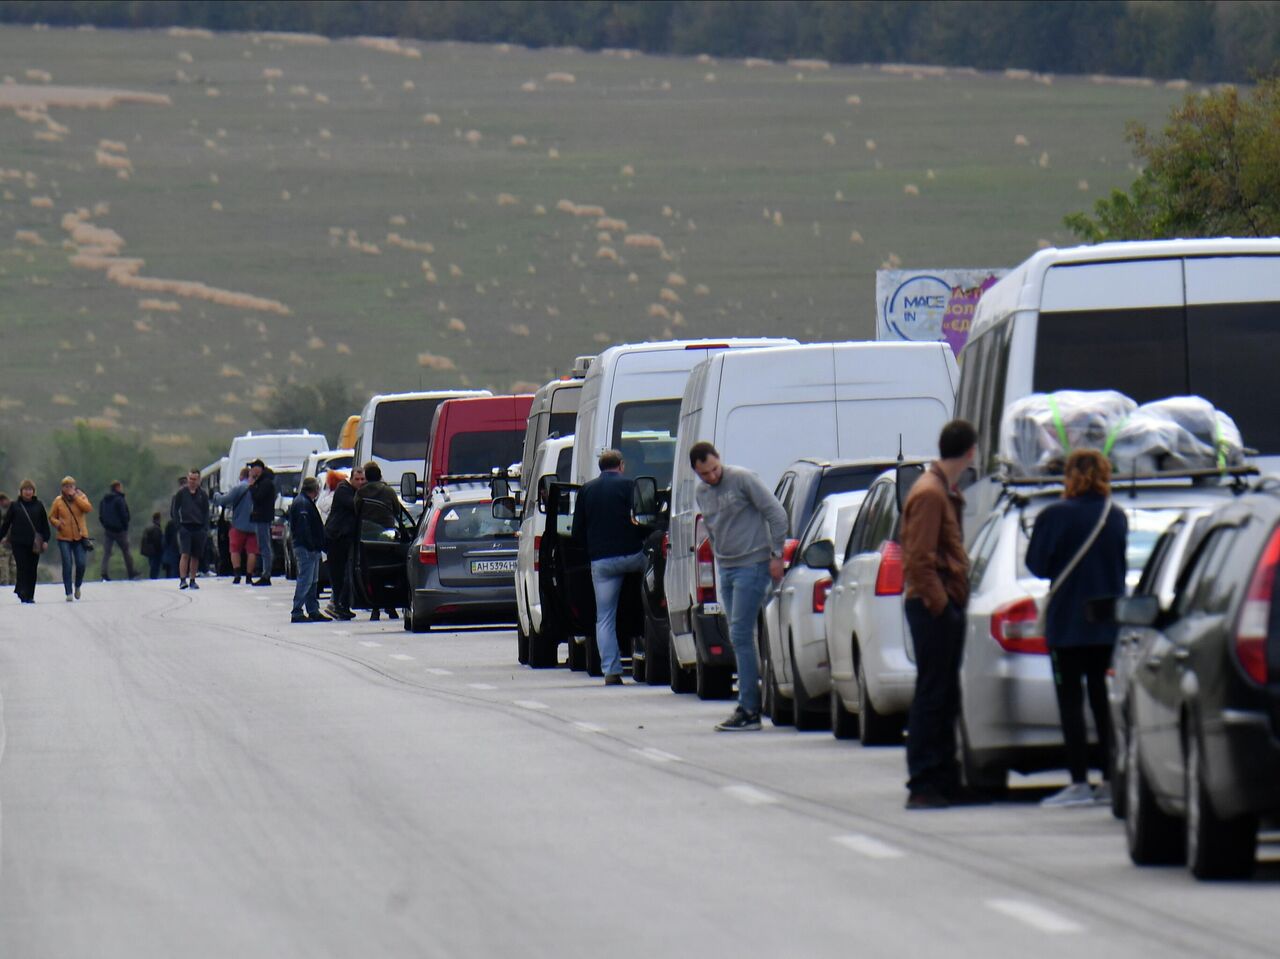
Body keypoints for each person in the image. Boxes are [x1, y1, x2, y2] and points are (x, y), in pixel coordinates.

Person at [1026, 448, 1128, 808]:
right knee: (1102, 700)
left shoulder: (1054, 515)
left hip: (1067, 624)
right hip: (1105, 624)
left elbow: (1036, 564)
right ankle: (1111, 778)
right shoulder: (1114, 516)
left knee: (1070, 700)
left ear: (1069, 475)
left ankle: (1079, 780)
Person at [901, 420, 977, 810]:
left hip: (941, 603)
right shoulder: (931, 494)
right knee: (933, 694)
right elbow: (919, 560)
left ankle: (945, 778)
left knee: (945, 693)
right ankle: (924, 781)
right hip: (932, 606)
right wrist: (942, 606)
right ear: (971, 451)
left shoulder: (942, 490)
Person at [689, 441, 788, 731]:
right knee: (737, 635)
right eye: (704, 474)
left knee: (742, 633)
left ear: (720, 460)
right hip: (728, 569)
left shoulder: (742, 479)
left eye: (714, 469)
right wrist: (719, 560)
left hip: (753, 565)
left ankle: (749, 709)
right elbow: (713, 528)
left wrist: (776, 554)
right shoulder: (702, 492)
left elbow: (776, 513)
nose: (712, 477)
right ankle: (751, 703)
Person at [571, 449, 648, 685]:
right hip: (634, 556)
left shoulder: (587, 490)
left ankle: (611, 671)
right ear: (621, 465)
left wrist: (591, 551)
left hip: (602, 561)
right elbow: (644, 520)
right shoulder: (631, 486)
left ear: (600, 467)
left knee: (604, 617)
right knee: (655, 585)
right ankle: (649, 646)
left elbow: (577, 531)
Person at [353, 462, 400, 621]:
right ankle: (391, 606)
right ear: (380, 475)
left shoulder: (361, 493)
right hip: (387, 537)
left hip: (367, 538)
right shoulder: (388, 491)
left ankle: (375, 608)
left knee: (371, 574)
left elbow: (356, 512)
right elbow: (397, 511)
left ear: (366, 477)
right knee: (390, 572)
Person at [287, 476, 330, 623]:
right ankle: (297, 611)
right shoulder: (303, 504)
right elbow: (304, 529)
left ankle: (313, 610)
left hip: (310, 548)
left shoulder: (304, 502)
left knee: (312, 581)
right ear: (316, 489)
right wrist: (313, 545)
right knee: (306, 580)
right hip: (306, 549)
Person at [0, 480, 50, 603]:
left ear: (33, 491)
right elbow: (6, 523)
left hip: (35, 543)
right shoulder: (15, 506)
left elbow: (44, 525)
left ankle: (30, 594)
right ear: (21, 491)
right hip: (18, 542)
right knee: (22, 567)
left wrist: (46, 540)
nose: (28, 492)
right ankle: (22, 592)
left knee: (32, 568)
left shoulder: (39, 505)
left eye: (30, 490)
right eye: (25, 490)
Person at [323, 467, 361, 621]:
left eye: (363, 479)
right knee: (340, 575)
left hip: (346, 538)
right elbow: (355, 505)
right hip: (336, 538)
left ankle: (342, 605)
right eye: (357, 479)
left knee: (346, 573)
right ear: (351, 479)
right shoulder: (344, 490)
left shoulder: (353, 492)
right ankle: (338, 605)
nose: (360, 482)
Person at [49, 476, 93, 602]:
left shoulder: (81, 497)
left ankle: (77, 585)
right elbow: (51, 517)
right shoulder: (58, 501)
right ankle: (68, 592)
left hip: (80, 537)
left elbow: (88, 508)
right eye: (66, 486)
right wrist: (57, 523)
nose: (69, 489)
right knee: (67, 563)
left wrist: (75, 497)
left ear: (75, 487)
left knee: (81, 563)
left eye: (71, 486)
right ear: (62, 488)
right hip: (64, 537)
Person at [213, 467, 259, 585]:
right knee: (252, 551)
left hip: (238, 524)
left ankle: (237, 574)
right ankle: (249, 576)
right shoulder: (258, 488)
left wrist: (216, 495)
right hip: (254, 525)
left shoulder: (239, 488)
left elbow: (224, 500)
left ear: (241, 477)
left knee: (235, 549)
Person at [171, 469, 210, 590]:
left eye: (195, 479)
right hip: (185, 527)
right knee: (185, 554)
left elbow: (206, 512)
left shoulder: (202, 494)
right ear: (187, 479)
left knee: (195, 555)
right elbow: (175, 510)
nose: (192, 482)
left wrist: (205, 528)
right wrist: (179, 525)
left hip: (198, 528)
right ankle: (183, 579)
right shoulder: (181, 493)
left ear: (199, 480)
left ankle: (193, 579)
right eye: (190, 479)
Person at [98, 480, 138, 581]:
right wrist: (125, 526)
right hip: (120, 530)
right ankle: (131, 572)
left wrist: (106, 525)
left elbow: (101, 516)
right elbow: (124, 514)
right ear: (117, 488)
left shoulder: (104, 500)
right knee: (126, 551)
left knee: (107, 552)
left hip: (108, 530)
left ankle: (104, 572)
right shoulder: (119, 499)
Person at [247, 459, 277, 586]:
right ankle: (265, 572)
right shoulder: (264, 481)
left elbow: (258, 497)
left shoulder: (265, 483)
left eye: (253, 468)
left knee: (265, 546)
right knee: (263, 545)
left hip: (262, 517)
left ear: (258, 469)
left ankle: (266, 574)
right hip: (261, 517)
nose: (251, 471)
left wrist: (252, 485)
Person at [140, 511, 164, 580]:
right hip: (155, 551)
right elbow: (157, 541)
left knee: (152, 565)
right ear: (158, 519)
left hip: (149, 551)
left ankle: (152, 578)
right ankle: (153, 578)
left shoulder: (148, 527)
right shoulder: (156, 528)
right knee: (155, 566)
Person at [0, 492, 15, 587]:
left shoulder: (12, 509)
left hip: (8, 542)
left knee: (5, 567)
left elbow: (11, 526)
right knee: (11, 567)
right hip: (11, 543)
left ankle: (6, 586)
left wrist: (6, 538)